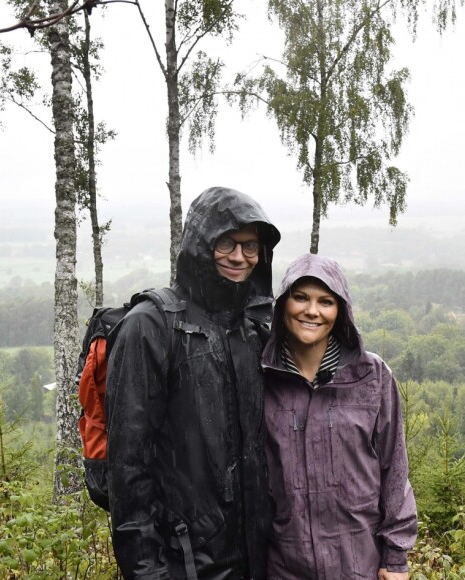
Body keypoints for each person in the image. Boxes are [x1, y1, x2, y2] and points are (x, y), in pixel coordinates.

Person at [106, 186, 281, 579]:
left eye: (250, 246)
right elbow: (129, 468)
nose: (240, 257)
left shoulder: (254, 331)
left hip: (256, 561)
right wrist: (147, 571)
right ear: (201, 243)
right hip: (180, 564)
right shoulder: (150, 326)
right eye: (227, 243)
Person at [262, 254, 417, 580]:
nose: (312, 311)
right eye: (300, 297)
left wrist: (396, 556)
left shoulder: (371, 377)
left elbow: (395, 469)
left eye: (326, 301)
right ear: (283, 305)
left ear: (340, 311)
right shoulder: (262, 378)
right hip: (283, 564)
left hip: (358, 562)